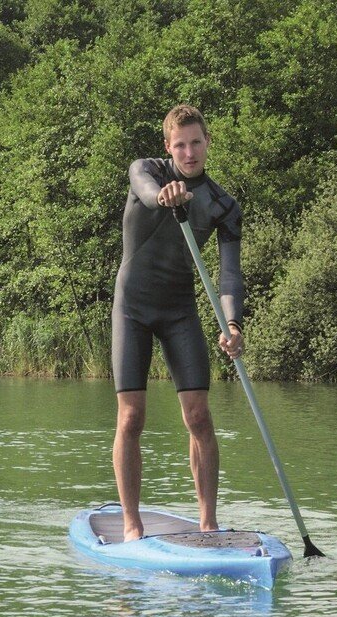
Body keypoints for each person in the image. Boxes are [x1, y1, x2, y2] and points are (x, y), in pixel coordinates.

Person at [110, 104, 245, 541]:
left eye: (196, 142)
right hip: (132, 306)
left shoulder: (223, 205)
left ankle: (208, 524)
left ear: (207, 143)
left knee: (200, 416)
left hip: (179, 310)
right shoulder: (145, 169)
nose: (189, 152)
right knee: (132, 417)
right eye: (180, 144)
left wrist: (232, 323)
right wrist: (163, 196)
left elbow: (228, 273)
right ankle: (132, 524)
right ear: (168, 147)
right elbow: (146, 190)